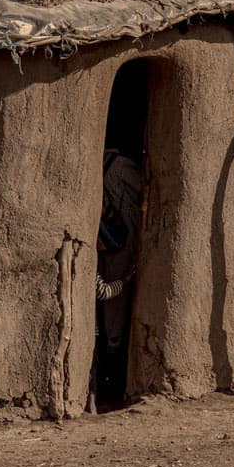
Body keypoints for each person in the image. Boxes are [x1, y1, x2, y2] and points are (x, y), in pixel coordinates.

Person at [94, 148, 145, 407]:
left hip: (103, 244)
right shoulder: (120, 165)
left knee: (105, 309)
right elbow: (146, 189)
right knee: (115, 307)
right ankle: (112, 380)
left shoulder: (98, 163)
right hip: (120, 246)